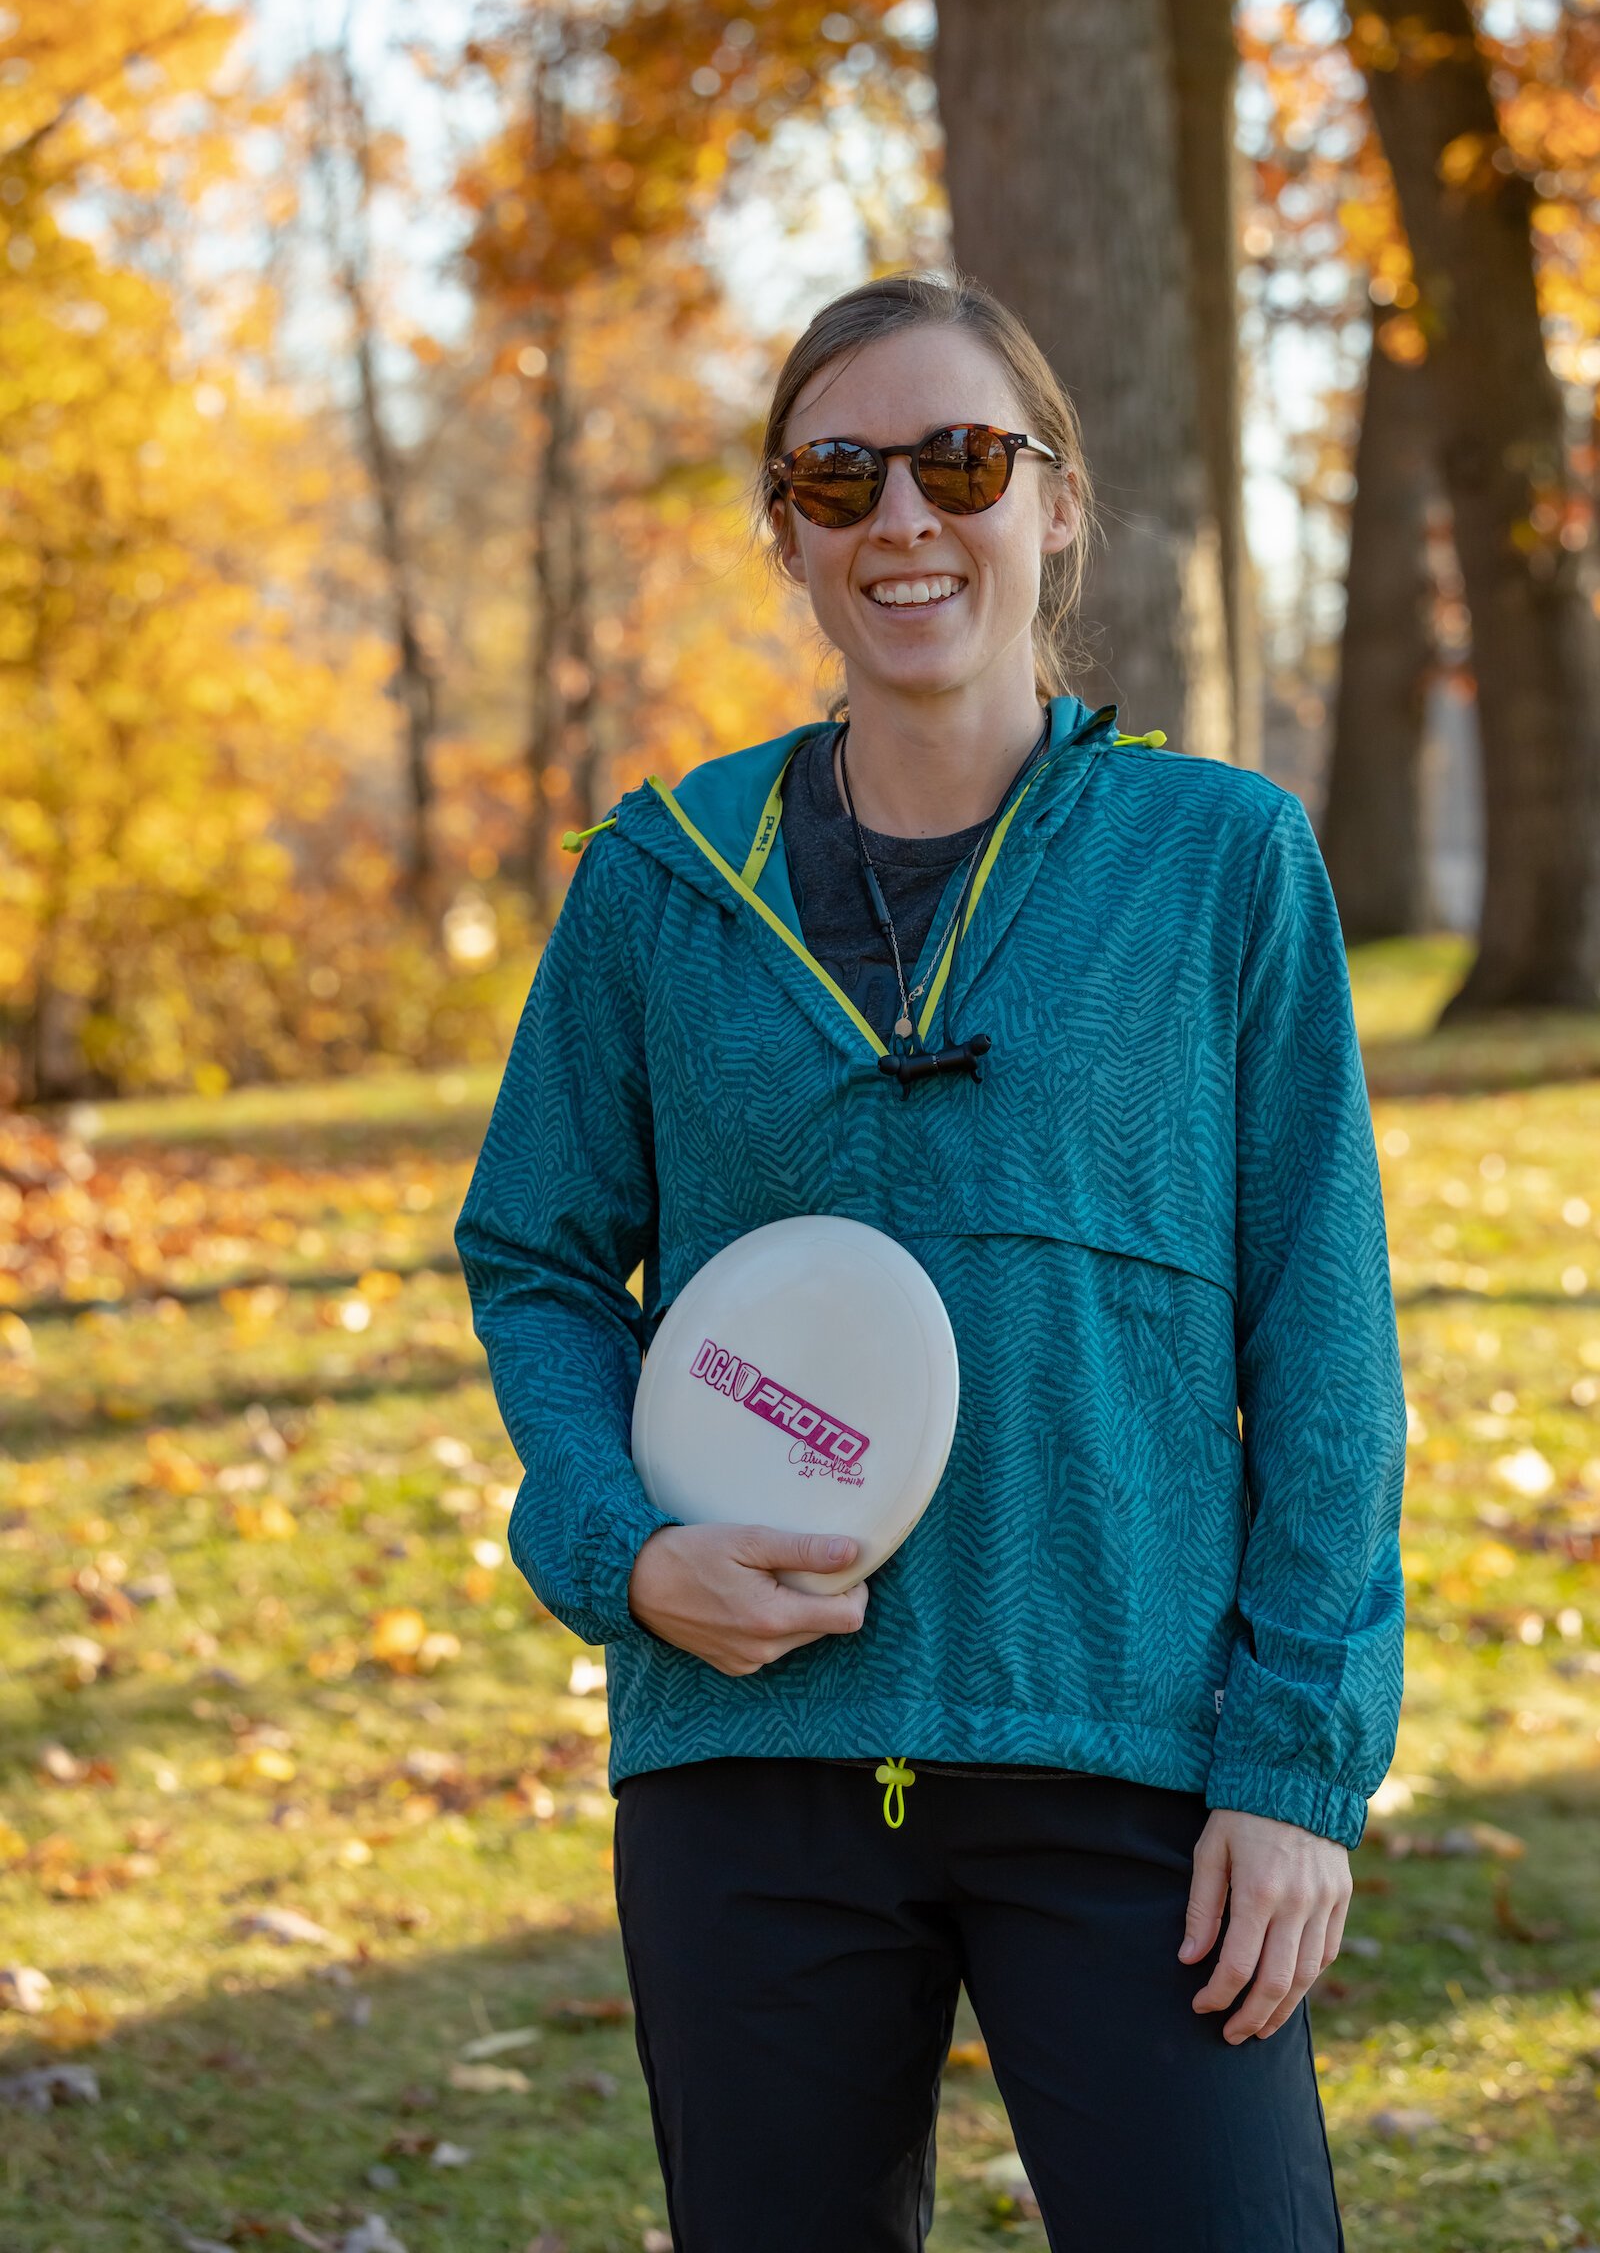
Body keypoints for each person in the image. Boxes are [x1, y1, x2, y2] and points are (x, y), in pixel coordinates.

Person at [454, 268, 1407, 2253]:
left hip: (1122, 1752)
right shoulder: (656, 879)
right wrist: (618, 1549)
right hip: (754, 1757)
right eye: (838, 476)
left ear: (1054, 506)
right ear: (789, 531)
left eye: (959, 460)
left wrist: (1295, 1769)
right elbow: (534, 1255)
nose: (903, 519)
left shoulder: (1221, 862)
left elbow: (1318, 1338)